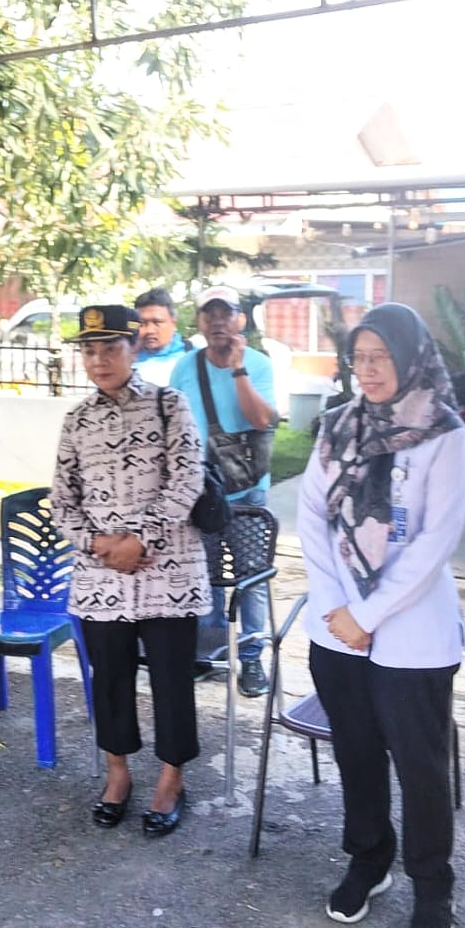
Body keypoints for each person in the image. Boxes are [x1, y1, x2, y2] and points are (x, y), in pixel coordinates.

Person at [298, 304, 465, 928]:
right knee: (358, 753)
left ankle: (433, 885)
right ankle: (369, 859)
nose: (367, 370)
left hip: (413, 633)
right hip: (336, 628)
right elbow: (311, 517)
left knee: (421, 765)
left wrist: (369, 611)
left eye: (381, 356)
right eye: (359, 357)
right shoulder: (336, 426)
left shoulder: (444, 432)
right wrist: (338, 608)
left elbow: (434, 542)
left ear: (412, 356)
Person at [51, 304, 211, 836]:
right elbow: (61, 502)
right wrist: (99, 544)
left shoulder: (171, 405)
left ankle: (171, 779)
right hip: (102, 578)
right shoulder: (76, 420)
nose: (99, 360)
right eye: (89, 350)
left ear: (135, 348)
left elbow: (188, 481)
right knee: (110, 680)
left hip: (168, 572)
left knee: (171, 681)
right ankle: (117, 774)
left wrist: (141, 539)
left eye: (110, 348)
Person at [169, 284, 278, 698]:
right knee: (206, 576)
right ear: (197, 322)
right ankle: (211, 654)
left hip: (247, 494)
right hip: (200, 492)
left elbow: (261, 420)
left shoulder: (259, 364)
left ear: (241, 320)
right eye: (208, 313)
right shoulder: (185, 367)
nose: (217, 321)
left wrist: (237, 369)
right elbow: (175, 425)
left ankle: (251, 659)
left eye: (225, 312)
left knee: (251, 578)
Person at [133, 287, 189, 386]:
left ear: (173, 323)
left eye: (157, 322)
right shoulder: (125, 359)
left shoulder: (192, 358)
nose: (149, 330)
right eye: (142, 323)